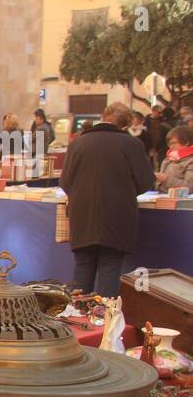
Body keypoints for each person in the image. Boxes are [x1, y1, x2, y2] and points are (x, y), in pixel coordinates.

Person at [60, 102, 155, 297]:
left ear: (104, 117)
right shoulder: (132, 144)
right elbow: (146, 180)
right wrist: (124, 191)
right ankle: (104, 317)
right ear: (125, 124)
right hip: (117, 214)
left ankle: (78, 315)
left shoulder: (78, 143)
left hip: (82, 214)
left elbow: (65, 181)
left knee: (83, 264)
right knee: (110, 264)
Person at [157, 125, 193, 192]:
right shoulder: (169, 158)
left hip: (183, 200)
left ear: (186, 143)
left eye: (174, 143)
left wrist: (165, 179)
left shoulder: (191, 160)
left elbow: (190, 186)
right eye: (169, 144)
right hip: (163, 197)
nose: (171, 147)